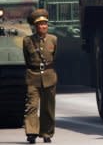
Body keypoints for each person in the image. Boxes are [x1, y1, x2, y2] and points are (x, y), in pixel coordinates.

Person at [23, 9, 57, 144]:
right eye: (40, 24)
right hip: (33, 76)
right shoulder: (27, 41)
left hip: (49, 76)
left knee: (48, 107)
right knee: (32, 105)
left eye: (45, 24)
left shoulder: (53, 39)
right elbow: (27, 59)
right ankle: (31, 132)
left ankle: (47, 133)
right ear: (35, 26)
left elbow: (54, 57)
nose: (43, 26)